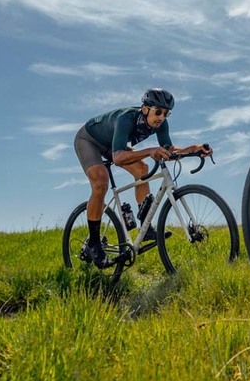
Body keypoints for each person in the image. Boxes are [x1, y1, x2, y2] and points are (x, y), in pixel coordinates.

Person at [73, 87, 212, 266]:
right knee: (101, 181)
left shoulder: (161, 124)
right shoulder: (126, 119)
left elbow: (168, 151)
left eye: (166, 114)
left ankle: (145, 228)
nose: (161, 117)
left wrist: (193, 149)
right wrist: (150, 150)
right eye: (158, 112)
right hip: (89, 140)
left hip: (115, 144)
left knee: (142, 169)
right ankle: (93, 243)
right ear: (145, 109)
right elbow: (118, 157)